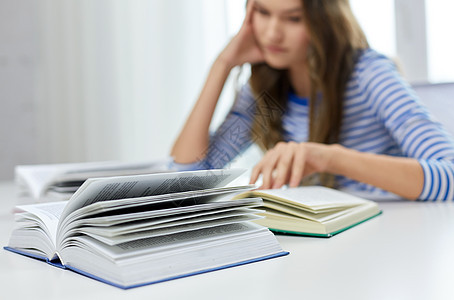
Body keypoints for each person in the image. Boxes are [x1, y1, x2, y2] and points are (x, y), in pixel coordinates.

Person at [170, 0, 454, 201]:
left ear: (325, 21)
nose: (272, 33)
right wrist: (222, 65)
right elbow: (188, 177)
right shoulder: (269, 94)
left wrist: (328, 157)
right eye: (263, 12)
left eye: (293, 18)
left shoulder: (367, 74)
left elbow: (450, 176)